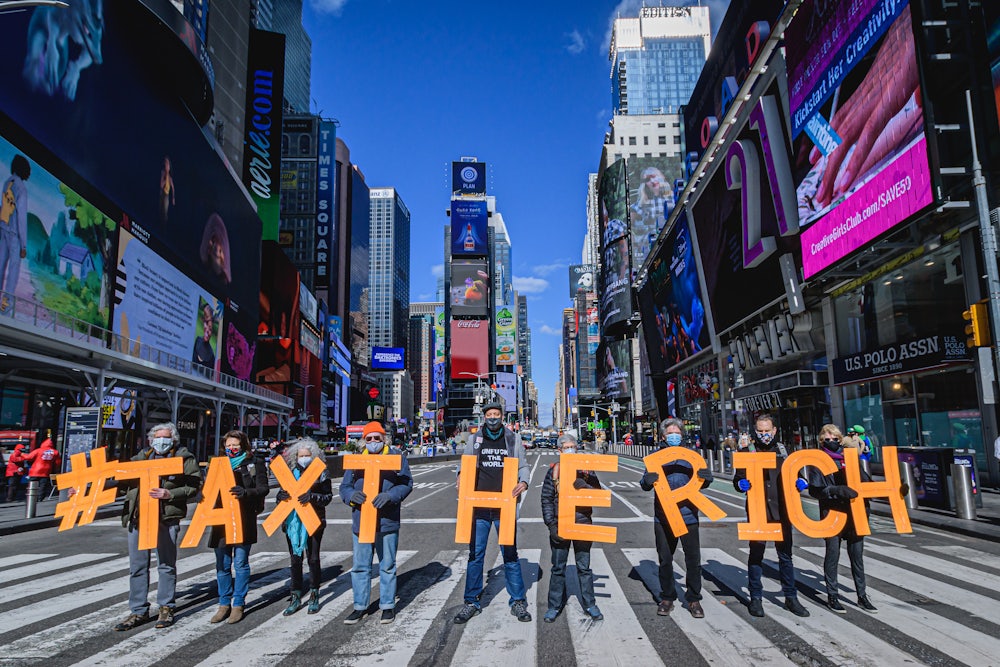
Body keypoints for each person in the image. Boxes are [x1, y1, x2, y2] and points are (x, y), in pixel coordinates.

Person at [107, 423, 202, 631]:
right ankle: (138, 610)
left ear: (173, 440)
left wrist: (170, 494)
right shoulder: (141, 458)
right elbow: (121, 482)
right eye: (157, 438)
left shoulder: (184, 458)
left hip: (165, 518)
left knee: (166, 564)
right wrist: (87, 490)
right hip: (139, 518)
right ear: (150, 440)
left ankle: (166, 606)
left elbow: (195, 487)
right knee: (137, 566)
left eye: (165, 437)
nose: (161, 441)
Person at [453, 401, 532, 624]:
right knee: (475, 555)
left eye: (496, 414)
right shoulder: (475, 439)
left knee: (510, 554)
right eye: (489, 414)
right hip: (478, 507)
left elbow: (523, 466)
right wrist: (460, 475)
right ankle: (471, 602)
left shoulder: (513, 438)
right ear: (484, 417)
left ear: (502, 416)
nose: (493, 417)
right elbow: (465, 463)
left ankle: (518, 601)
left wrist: (524, 482)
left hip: (504, 507)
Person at [733, 414, 810, 618]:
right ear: (755, 431)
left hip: (782, 510)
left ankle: (791, 597)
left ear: (774, 430)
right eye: (760, 431)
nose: (764, 434)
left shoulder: (784, 452)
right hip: (758, 510)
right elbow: (738, 479)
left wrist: (802, 482)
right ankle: (755, 597)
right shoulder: (746, 452)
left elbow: (798, 475)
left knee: (785, 556)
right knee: (756, 555)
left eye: (767, 431)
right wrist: (740, 484)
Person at [339, 421, 413, 625]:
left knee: (387, 565)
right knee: (360, 566)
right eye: (369, 438)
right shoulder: (356, 459)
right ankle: (360, 606)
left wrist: (390, 496)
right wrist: (351, 496)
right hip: (361, 520)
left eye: (377, 438)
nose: (373, 441)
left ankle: (387, 605)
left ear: (384, 439)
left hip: (387, 520)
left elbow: (406, 483)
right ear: (364, 440)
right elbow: (344, 487)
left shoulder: (396, 457)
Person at [640, 418, 712, 618]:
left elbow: (703, 482)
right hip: (663, 517)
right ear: (663, 436)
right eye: (670, 433)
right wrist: (647, 481)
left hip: (689, 516)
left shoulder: (692, 457)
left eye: (677, 433)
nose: (674, 436)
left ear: (682, 435)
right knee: (665, 560)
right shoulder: (654, 458)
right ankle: (667, 597)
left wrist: (707, 478)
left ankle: (694, 599)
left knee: (693, 560)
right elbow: (644, 484)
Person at [806, 425, 878, 615]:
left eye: (835, 438)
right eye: (827, 438)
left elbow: (866, 482)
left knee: (857, 557)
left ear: (841, 439)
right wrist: (836, 490)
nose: (832, 441)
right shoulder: (818, 461)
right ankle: (833, 596)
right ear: (821, 441)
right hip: (832, 513)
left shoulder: (850, 457)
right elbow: (815, 490)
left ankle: (862, 596)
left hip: (855, 512)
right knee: (832, 555)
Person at [540, 433, 603, 622]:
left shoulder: (586, 470)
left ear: (577, 448)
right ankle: (554, 606)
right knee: (558, 568)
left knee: (584, 568)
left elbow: (599, 496)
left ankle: (590, 604)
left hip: (583, 524)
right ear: (559, 451)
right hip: (560, 525)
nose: (570, 450)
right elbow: (546, 499)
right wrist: (551, 524)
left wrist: (585, 486)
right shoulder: (554, 471)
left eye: (572, 447)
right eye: (566, 448)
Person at [208, 430, 268, 625]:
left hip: (244, 517)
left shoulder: (254, 463)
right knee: (222, 564)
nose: (232, 448)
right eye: (228, 445)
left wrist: (246, 492)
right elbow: (207, 488)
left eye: (235, 445)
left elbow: (263, 488)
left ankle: (238, 604)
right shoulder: (217, 463)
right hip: (221, 519)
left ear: (243, 445)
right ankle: (223, 603)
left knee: (241, 563)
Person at [279, 437, 333, 616]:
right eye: (301, 455)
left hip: (314, 520)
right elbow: (280, 495)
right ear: (295, 457)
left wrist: (312, 497)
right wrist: (281, 496)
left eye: (307, 455)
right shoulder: (289, 473)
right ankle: (295, 595)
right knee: (295, 559)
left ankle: (314, 594)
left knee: (313, 558)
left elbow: (328, 497)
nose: (304, 458)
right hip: (292, 522)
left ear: (314, 455)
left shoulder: (321, 472)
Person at [0, 154, 30, 312]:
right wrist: (23, 245)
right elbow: (22, 218)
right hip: (15, 235)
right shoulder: (22, 189)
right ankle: (5, 307)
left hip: (3, 228)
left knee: (0, 265)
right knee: (13, 271)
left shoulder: (7, 182)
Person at [22, 430, 60, 500]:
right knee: (43, 485)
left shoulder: (39, 450)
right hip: (46, 471)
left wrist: (22, 454)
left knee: (32, 484)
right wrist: (56, 470)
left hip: (35, 470)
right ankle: (40, 497)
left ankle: (31, 496)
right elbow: (57, 463)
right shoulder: (55, 452)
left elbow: (29, 457)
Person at [192, 302, 216, 368]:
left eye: (210, 328)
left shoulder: (211, 357)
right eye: (206, 323)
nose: (207, 330)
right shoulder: (198, 340)